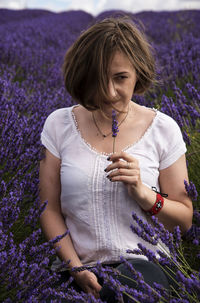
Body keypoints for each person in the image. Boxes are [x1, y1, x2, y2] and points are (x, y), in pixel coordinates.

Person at [39, 17, 193, 302]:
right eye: (99, 79)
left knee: (124, 290)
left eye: (120, 77)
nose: (110, 92)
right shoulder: (59, 125)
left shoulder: (162, 129)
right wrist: (76, 268)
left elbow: (185, 219)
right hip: (77, 270)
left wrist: (145, 194)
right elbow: (49, 209)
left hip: (147, 270)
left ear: (138, 72)